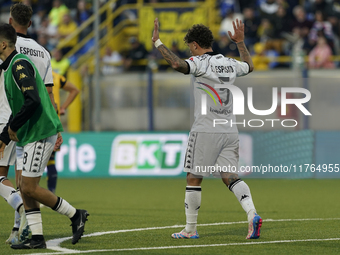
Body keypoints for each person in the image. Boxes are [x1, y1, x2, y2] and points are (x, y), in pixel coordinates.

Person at [152, 18, 262, 239]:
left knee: (194, 178)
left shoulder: (199, 62)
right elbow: (249, 66)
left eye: (189, 47)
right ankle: (252, 214)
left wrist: (157, 43)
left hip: (205, 129)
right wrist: (240, 42)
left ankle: (190, 229)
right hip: (229, 129)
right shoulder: (229, 63)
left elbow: (177, 64)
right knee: (230, 176)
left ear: (194, 45)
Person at [0, 23, 89, 249]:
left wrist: (12, 128)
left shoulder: (19, 64)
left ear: (2, 45)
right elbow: (19, 106)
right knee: (23, 185)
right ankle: (37, 238)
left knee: (28, 187)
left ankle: (75, 214)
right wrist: (4, 137)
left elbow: (33, 100)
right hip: (30, 132)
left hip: (39, 131)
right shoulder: (9, 66)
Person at [0, 69, 27, 245]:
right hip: (17, 120)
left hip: (3, 122)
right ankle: (17, 229)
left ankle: (24, 209)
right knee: (17, 180)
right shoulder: (16, 62)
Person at [45, 71, 79, 194]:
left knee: (35, 161)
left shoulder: (34, 73)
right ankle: (50, 193)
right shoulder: (57, 77)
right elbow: (75, 90)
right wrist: (63, 107)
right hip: (55, 123)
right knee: (50, 160)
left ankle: (33, 195)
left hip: (40, 122)